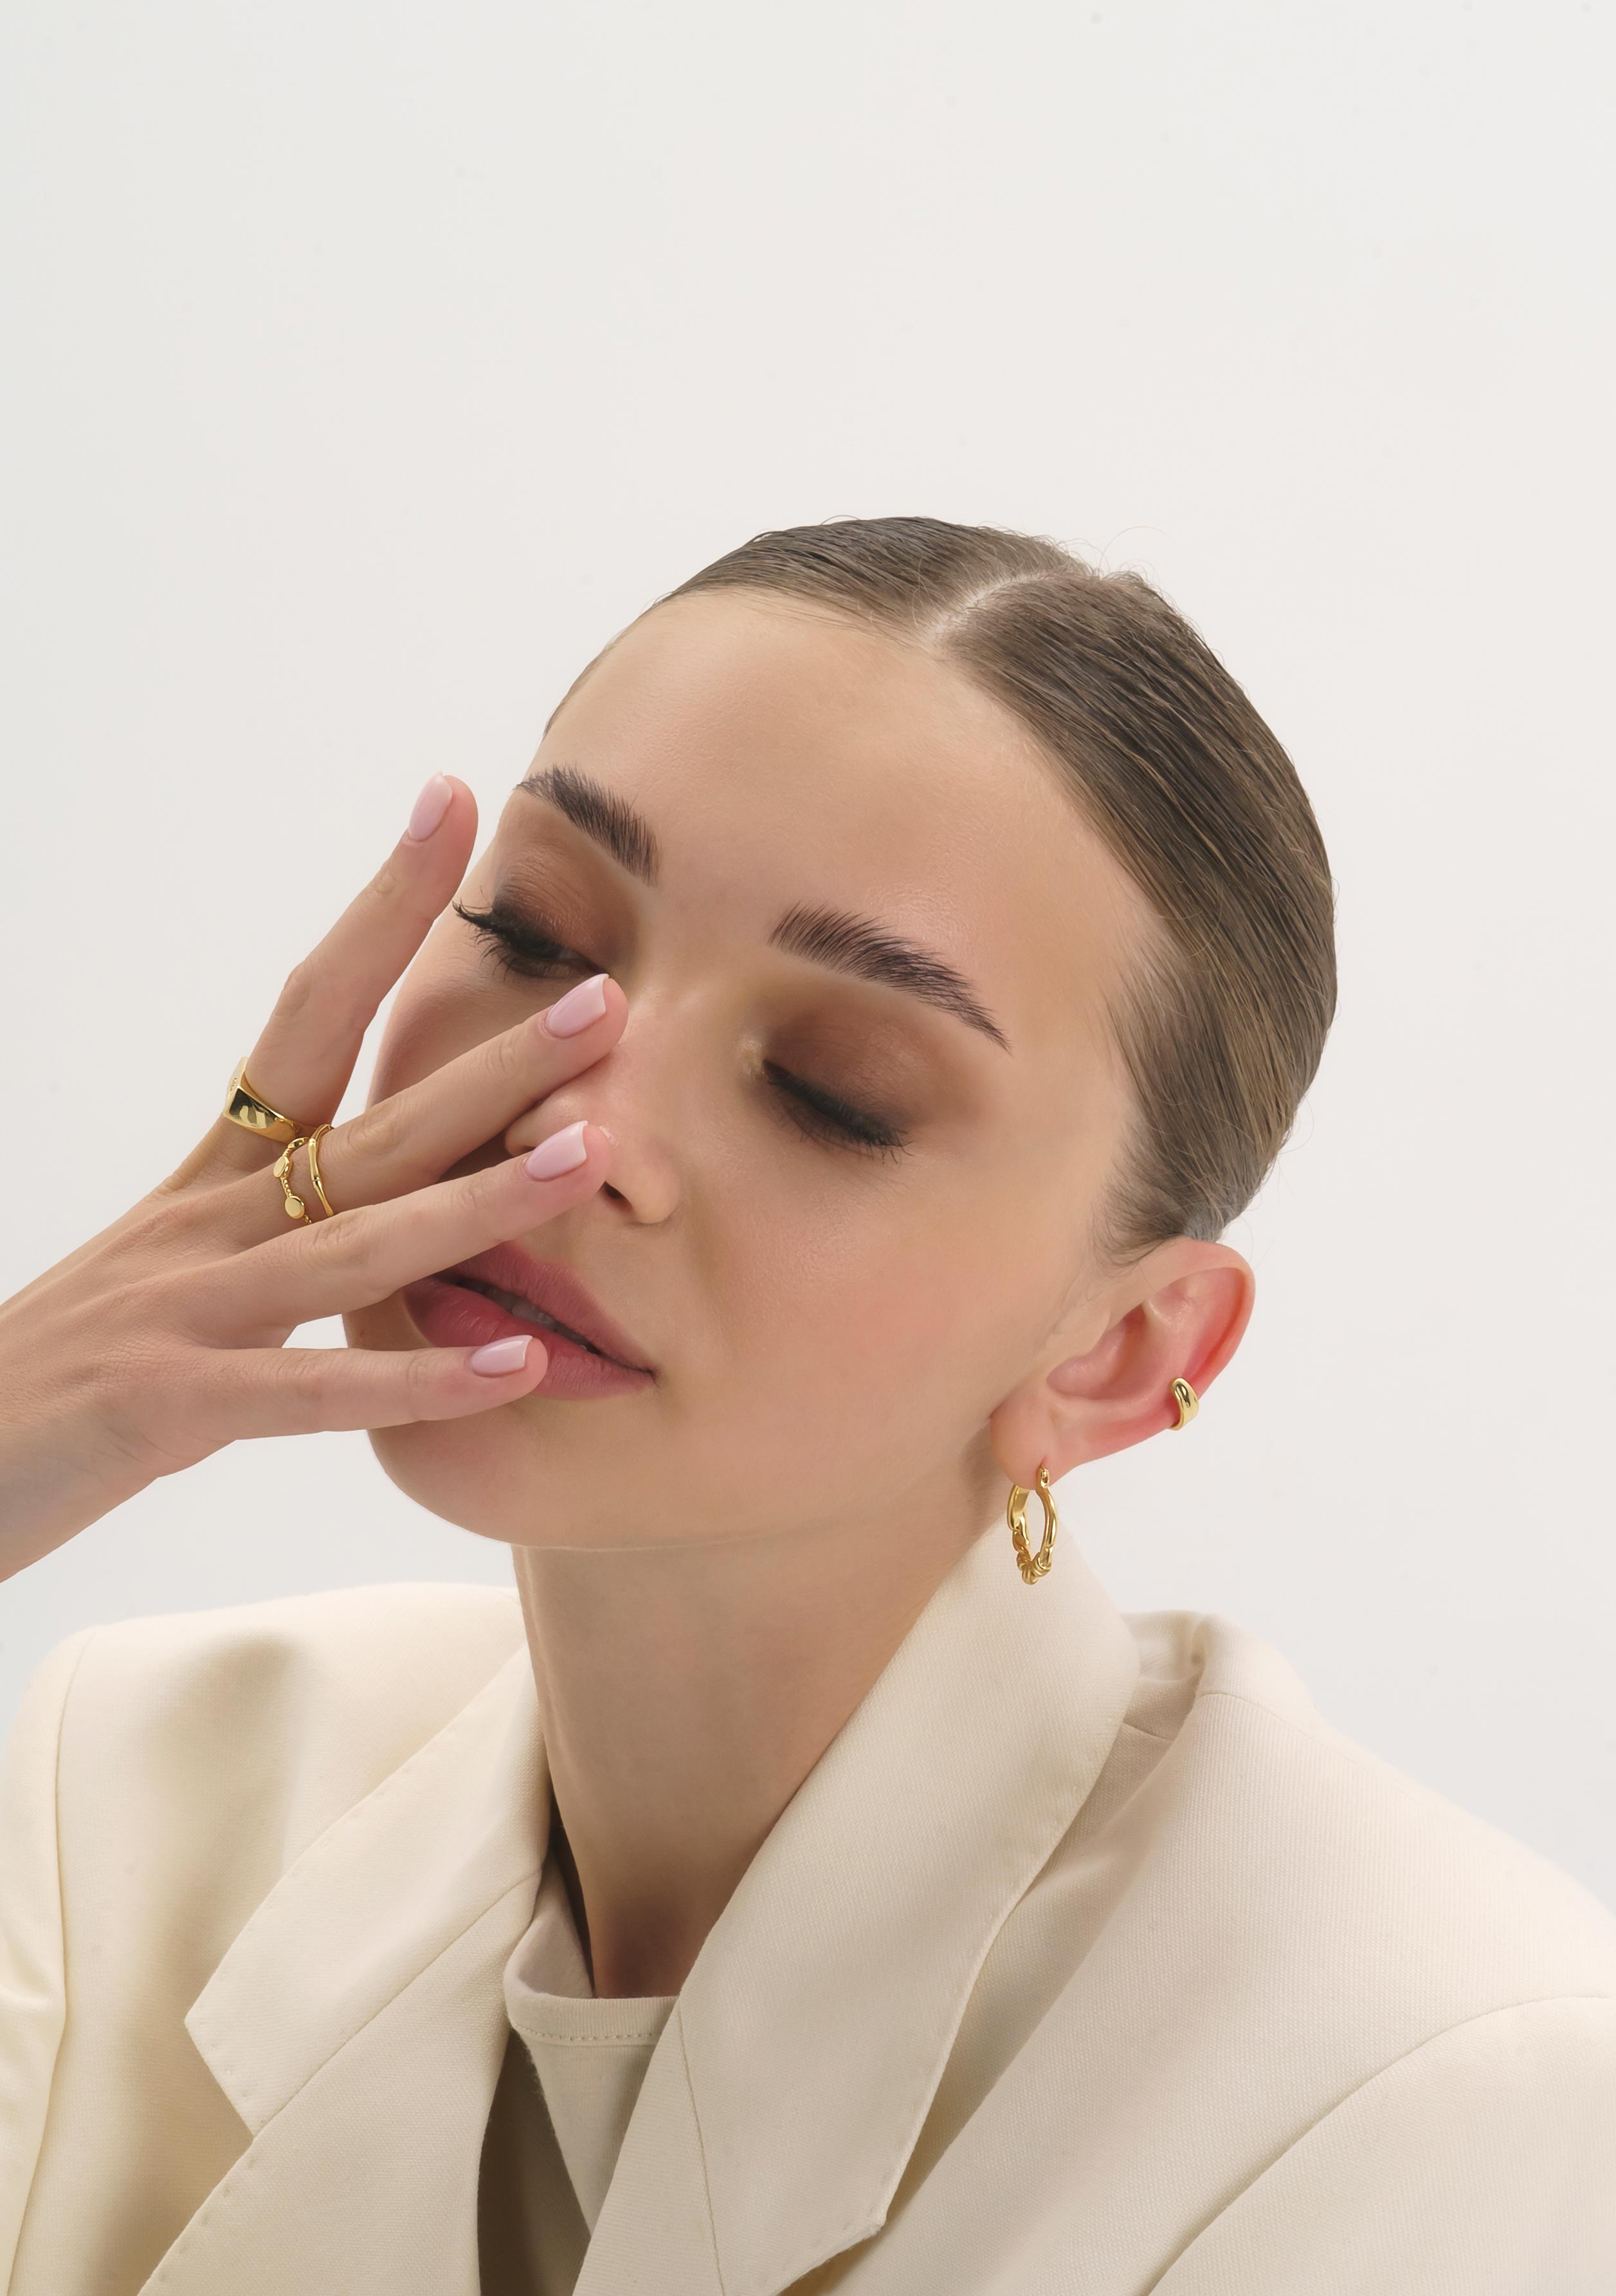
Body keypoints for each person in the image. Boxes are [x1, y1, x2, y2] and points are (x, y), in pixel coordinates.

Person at [1, 516, 1611, 2296]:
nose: (574, 1131)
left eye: (834, 1091)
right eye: (535, 934)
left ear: (1117, 1351)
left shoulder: (1430, 2085)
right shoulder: (134, 1790)